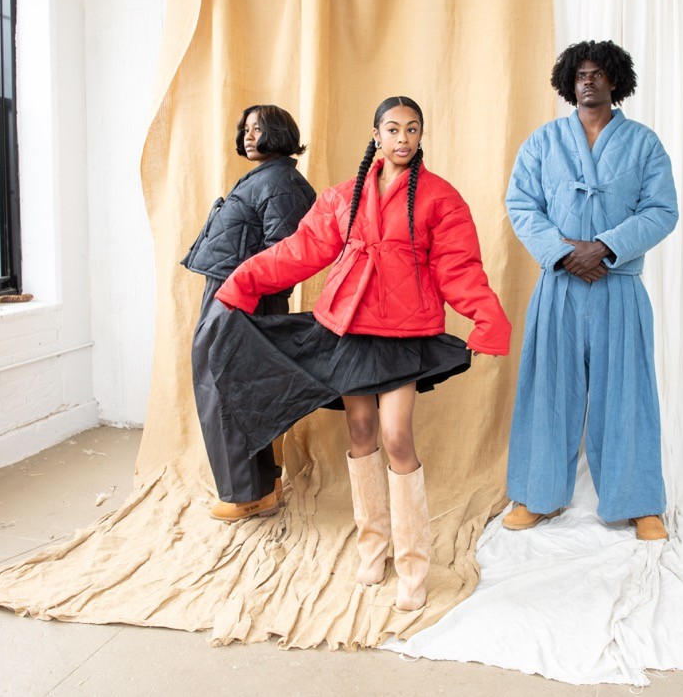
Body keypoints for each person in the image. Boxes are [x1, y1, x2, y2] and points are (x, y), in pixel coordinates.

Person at [211, 96, 511, 610]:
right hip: (349, 328)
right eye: (392, 129)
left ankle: (415, 564)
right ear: (376, 135)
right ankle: (373, 547)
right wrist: (243, 281)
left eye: (412, 130)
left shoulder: (441, 198)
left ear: (420, 137)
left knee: (397, 437)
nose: (402, 138)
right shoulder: (342, 197)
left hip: (404, 332)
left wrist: (488, 318)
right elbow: (300, 251)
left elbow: (459, 268)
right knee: (362, 432)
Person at [503, 40, 678, 540]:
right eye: (580, 74)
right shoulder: (543, 142)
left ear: (615, 82)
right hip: (559, 283)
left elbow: (661, 210)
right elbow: (521, 204)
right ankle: (537, 495)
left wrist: (603, 246)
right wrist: (564, 252)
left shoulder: (645, 144)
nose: (588, 81)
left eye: (599, 73)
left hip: (617, 285)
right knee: (547, 390)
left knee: (627, 392)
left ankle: (640, 502)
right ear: (568, 82)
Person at [181, 104, 316, 522]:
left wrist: (245, 293)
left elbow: (286, 253)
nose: (248, 134)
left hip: (244, 299)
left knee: (225, 386)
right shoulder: (267, 177)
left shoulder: (281, 182)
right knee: (235, 386)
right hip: (231, 292)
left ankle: (249, 494)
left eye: (258, 128)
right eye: (246, 128)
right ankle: (261, 485)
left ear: (279, 133)